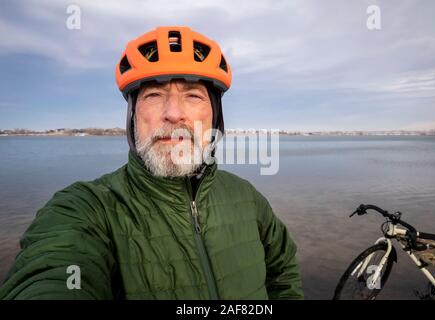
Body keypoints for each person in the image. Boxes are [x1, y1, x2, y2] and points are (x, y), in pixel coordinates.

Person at [0, 26, 303, 300]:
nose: (174, 113)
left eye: (194, 95)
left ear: (215, 116)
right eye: (154, 95)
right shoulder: (87, 208)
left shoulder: (246, 198)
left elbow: (283, 269)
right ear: (133, 117)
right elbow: (49, 271)